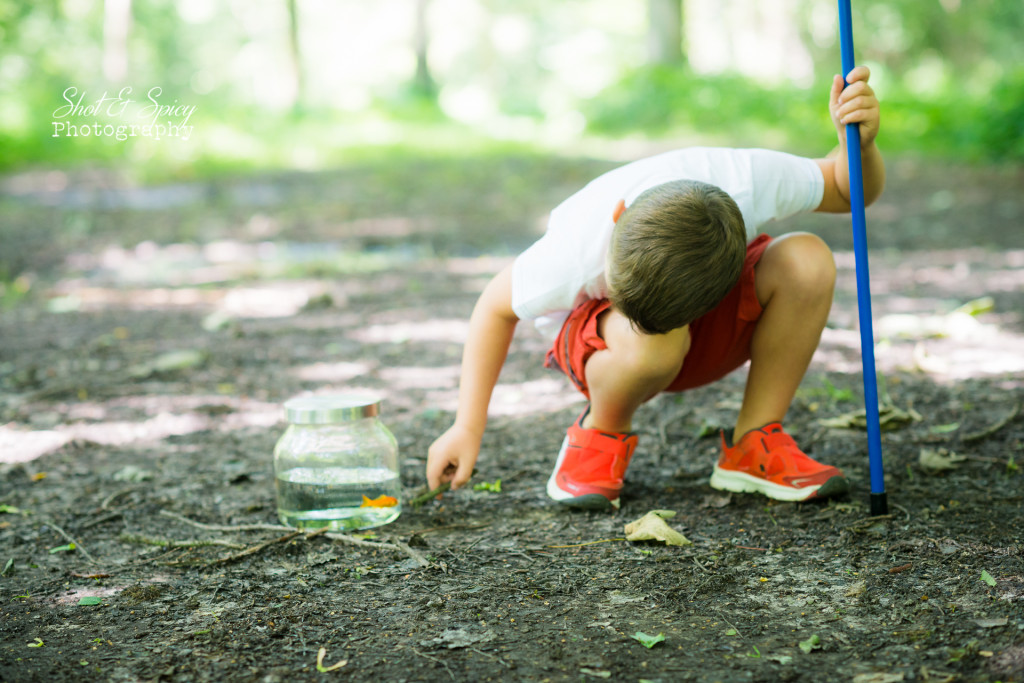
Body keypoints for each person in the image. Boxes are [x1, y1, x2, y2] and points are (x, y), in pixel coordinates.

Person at [426, 66, 885, 510]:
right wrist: (467, 426)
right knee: (651, 343)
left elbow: (849, 191)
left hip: (698, 323)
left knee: (807, 259)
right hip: (606, 349)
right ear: (618, 216)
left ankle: (754, 443)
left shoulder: (748, 182)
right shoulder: (576, 245)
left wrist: (859, 145)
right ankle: (601, 432)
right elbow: (493, 307)